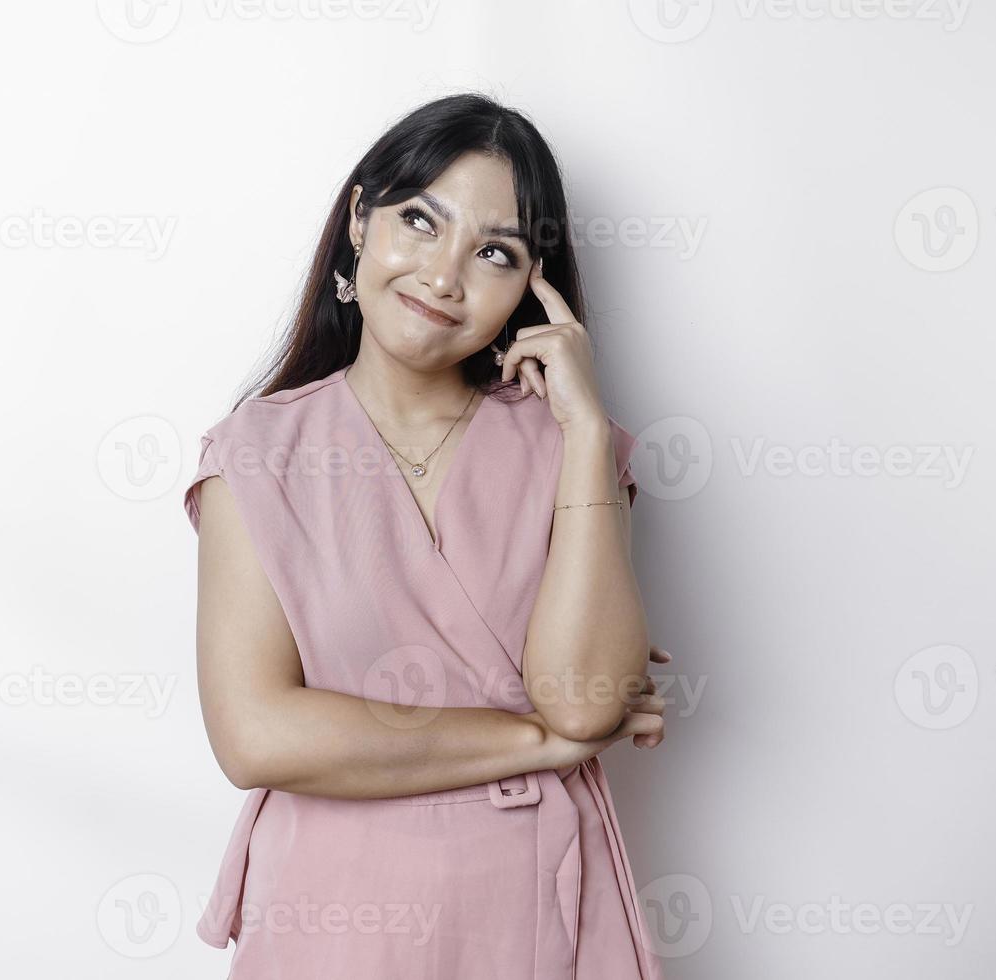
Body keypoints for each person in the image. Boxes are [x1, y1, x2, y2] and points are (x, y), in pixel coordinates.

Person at [185, 92, 670, 978]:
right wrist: (542, 744)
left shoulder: (571, 447)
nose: (446, 277)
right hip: (332, 915)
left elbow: (586, 698)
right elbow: (257, 734)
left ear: (533, 287)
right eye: (419, 220)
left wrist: (590, 431)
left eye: (494, 252)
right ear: (361, 222)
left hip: (527, 906)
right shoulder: (258, 452)